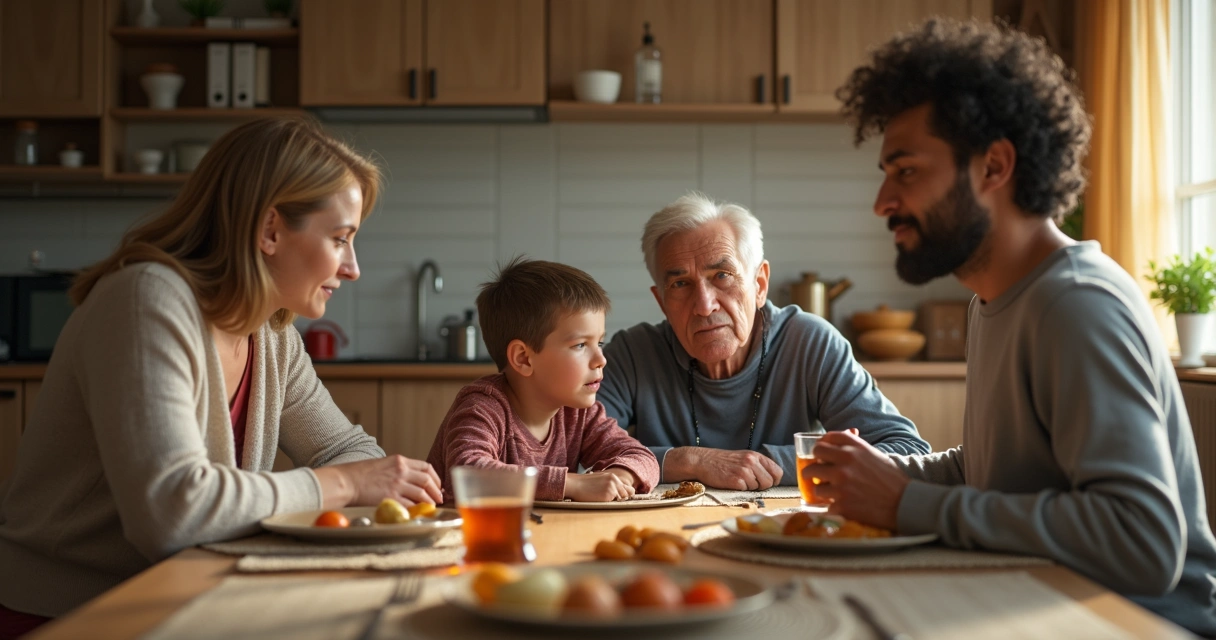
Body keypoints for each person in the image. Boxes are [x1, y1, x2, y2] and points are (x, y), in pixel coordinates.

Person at [811, 19, 1216, 635]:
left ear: (994, 166)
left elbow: (1143, 543)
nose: (883, 201)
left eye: (907, 171)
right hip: (1043, 602)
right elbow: (1003, 476)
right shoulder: (998, 299)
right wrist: (889, 476)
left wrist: (906, 503)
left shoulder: (1077, 305)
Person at [0, 117, 443, 635]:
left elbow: (347, 448)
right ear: (270, 230)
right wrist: (342, 485)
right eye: (341, 239)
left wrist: (350, 477)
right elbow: (173, 513)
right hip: (75, 615)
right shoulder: (146, 301)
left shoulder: (272, 335)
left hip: (186, 597)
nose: (353, 268)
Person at [597, 192, 930, 491]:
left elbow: (906, 451)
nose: (704, 305)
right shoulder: (631, 354)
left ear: (759, 284)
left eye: (721, 276)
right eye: (681, 284)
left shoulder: (809, 342)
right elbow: (574, 454)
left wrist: (767, 463)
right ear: (661, 302)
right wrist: (691, 462)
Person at [427, 258, 660, 504]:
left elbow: (641, 456)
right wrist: (572, 483)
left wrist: (618, 477)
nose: (601, 359)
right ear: (524, 359)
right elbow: (469, 473)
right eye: (580, 345)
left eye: (599, 342)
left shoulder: (579, 414)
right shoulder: (483, 407)